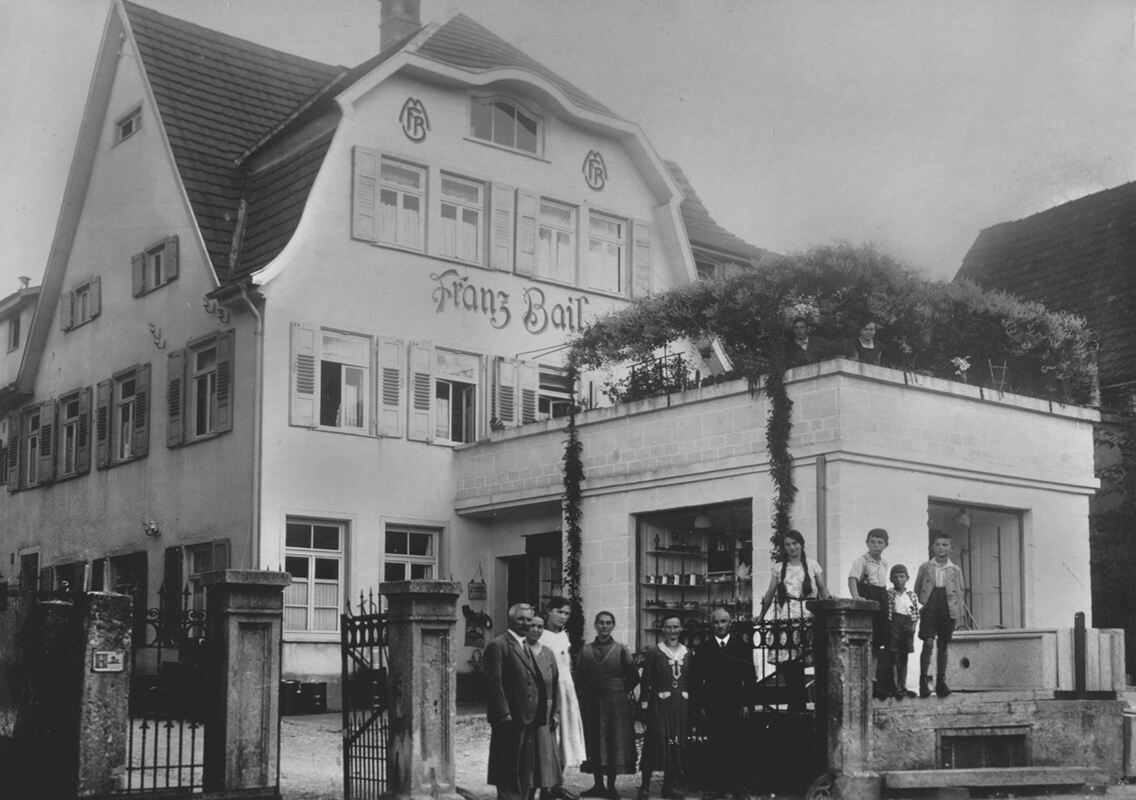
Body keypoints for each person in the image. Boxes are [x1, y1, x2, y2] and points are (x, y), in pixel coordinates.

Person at [486, 603, 560, 800]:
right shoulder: (499, 645)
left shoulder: (526, 645)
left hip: (529, 716)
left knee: (526, 767)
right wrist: (504, 713)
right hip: (510, 718)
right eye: (521, 619)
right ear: (510, 620)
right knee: (507, 764)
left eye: (529, 619)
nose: (526, 623)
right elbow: (494, 683)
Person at [758, 529, 830, 712]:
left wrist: (830, 610)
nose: (791, 547)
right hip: (787, 617)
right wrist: (761, 615)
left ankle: (807, 703)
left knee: (808, 658)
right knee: (790, 662)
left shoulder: (813, 565)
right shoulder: (779, 568)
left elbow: (822, 589)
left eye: (795, 543)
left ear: (802, 544)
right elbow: (770, 593)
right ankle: (796, 703)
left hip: (808, 616)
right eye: (788, 544)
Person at [689, 608, 756, 800]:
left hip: (736, 703)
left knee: (737, 744)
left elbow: (750, 677)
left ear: (730, 623)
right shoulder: (703, 649)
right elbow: (696, 680)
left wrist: (747, 703)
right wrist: (700, 706)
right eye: (716, 622)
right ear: (711, 625)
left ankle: (737, 786)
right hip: (713, 704)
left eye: (723, 621)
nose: (719, 626)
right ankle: (718, 786)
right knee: (716, 745)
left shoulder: (742, 647)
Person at [576, 611, 639, 799]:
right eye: (601, 623)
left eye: (608, 623)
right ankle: (598, 785)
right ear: (595, 625)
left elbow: (633, 676)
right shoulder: (586, 650)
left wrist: (617, 690)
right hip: (592, 705)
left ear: (613, 626)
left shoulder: (620, 649)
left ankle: (611, 787)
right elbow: (578, 677)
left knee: (613, 742)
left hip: (616, 707)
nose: (604, 626)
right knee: (595, 741)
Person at [637, 617, 690, 800]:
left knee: (674, 744)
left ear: (681, 629)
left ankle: (668, 786)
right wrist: (644, 705)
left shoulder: (687, 653)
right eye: (669, 627)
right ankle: (644, 786)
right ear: (663, 630)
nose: (672, 630)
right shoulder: (655, 652)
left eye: (676, 627)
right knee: (654, 743)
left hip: (680, 705)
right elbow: (646, 680)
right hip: (660, 705)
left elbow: (691, 680)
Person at [540, 597, 587, 799]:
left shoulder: (563, 636)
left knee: (566, 738)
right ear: (548, 611)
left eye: (567, 613)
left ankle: (558, 784)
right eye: (559, 612)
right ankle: (546, 787)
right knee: (550, 739)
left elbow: (568, 666)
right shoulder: (541, 635)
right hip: (551, 691)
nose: (563, 617)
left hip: (567, 691)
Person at [913, 532, 966, 698]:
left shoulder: (955, 569)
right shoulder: (925, 567)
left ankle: (941, 682)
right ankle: (923, 682)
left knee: (943, 644)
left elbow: (960, 591)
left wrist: (957, 612)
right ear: (932, 548)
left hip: (947, 606)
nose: (941, 548)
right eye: (938, 545)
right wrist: (925, 604)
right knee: (928, 642)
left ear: (950, 548)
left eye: (945, 545)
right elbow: (917, 588)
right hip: (930, 604)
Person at [847, 528, 891, 699]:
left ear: (886, 545)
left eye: (880, 542)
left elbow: (881, 586)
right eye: (872, 541)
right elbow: (852, 579)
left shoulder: (884, 563)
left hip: (881, 600)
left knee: (877, 643)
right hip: (868, 600)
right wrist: (856, 597)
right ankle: (862, 681)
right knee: (866, 641)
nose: (876, 545)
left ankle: (873, 681)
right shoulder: (862, 561)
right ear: (867, 543)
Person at [525, 615, 565, 800]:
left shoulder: (548, 653)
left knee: (545, 753)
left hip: (546, 711)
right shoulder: (520, 650)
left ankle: (546, 790)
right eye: (532, 625)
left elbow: (555, 683)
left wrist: (556, 713)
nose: (536, 629)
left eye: (540, 626)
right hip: (527, 710)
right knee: (529, 754)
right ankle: (528, 792)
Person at [885, 564, 921, 699]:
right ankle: (895, 687)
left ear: (907, 578)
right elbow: (888, 612)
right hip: (894, 624)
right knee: (894, 655)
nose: (899, 580)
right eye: (895, 577)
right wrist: (889, 626)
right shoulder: (889, 594)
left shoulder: (911, 595)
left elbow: (916, 612)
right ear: (891, 579)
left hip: (907, 624)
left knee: (904, 656)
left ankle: (903, 686)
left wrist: (913, 625)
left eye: (902, 577)